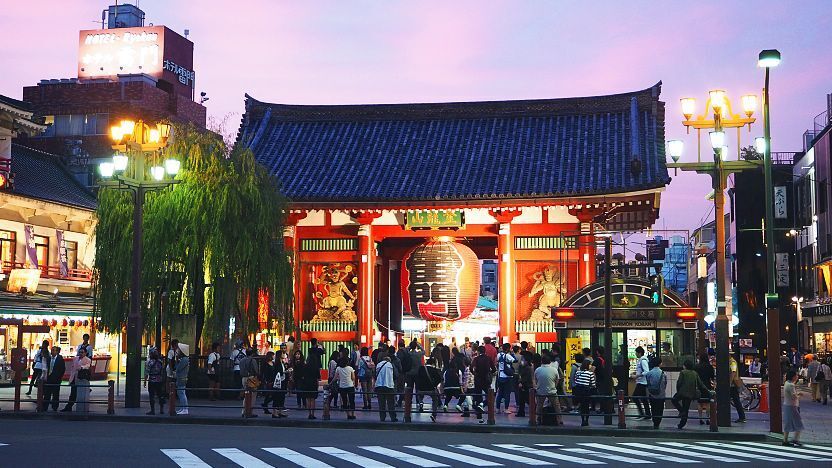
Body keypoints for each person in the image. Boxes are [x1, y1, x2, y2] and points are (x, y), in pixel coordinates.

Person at [672, 359, 712, 429]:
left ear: (685, 366)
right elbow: (701, 384)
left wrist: (678, 390)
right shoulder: (694, 373)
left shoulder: (683, 372)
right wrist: (708, 391)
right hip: (691, 393)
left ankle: (681, 411)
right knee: (686, 408)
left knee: (674, 400)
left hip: (682, 392)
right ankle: (682, 423)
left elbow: (679, 383)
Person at [534, 354, 563, 425]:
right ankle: (559, 419)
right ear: (550, 362)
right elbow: (557, 380)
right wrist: (554, 386)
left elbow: (535, 380)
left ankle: (538, 418)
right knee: (557, 406)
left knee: (539, 405)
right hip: (552, 391)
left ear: (541, 361)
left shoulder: (537, 370)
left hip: (541, 391)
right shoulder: (554, 370)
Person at [472, 345, 495, 424]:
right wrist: (490, 373)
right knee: (490, 395)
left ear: (478, 351)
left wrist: (475, 374)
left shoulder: (476, 359)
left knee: (478, 396)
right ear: (485, 351)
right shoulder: (488, 358)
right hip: (486, 379)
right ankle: (483, 404)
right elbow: (494, 369)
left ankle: (479, 414)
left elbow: (472, 368)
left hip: (478, 379)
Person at [416, 357, 443, 422]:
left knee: (420, 396)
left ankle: (421, 403)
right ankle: (434, 414)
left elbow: (417, 378)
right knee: (435, 400)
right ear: (433, 363)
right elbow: (439, 379)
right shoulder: (433, 370)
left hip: (421, 388)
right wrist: (434, 385)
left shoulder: (421, 368)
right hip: (430, 388)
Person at [644, 356, 667, 429]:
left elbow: (648, 383)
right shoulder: (663, 374)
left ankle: (654, 421)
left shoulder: (649, 373)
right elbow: (665, 384)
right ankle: (658, 422)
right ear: (660, 364)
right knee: (660, 409)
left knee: (653, 408)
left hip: (652, 394)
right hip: (661, 395)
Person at [783, 370, 804, 446]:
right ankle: (795, 439)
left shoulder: (787, 383)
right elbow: (794, 396)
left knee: (788, 423)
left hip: (787, 405)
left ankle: (786, 440)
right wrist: (799, 395)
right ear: (793, 377)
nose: (797, 377)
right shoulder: (791, 385)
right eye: (796, 375)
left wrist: (797, 393)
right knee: (799, 423)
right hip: (792, 406)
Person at [375, 351, 397, 422]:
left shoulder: (378, 365)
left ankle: (382, 418)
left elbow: (375, 375)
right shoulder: (390, 365)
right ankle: (393, 417)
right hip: (389, 385)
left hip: (379, 385)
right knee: (391, 403)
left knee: (381, 404)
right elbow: (396, 375)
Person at [572, 360, 596, 426]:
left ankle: (582, 420)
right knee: (586, 406)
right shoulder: (590, 373)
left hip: (579, 391)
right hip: (586, 391)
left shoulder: (578, 372)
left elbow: (576, 381)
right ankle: (586, 421)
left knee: (582, 406)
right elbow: (593, 384)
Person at [494, 343, 516, 414]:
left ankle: (497, 408)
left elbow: (497, 362)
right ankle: (506, 408)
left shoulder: (499, 355)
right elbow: (515, 360)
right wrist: (512, 353)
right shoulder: (508, 356)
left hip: (500, 376)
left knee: (500, 393)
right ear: (508, 349)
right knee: (507, 393)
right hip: (507, 377)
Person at [41, 346, 64, 412]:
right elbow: (45, 368)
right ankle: (45, 407)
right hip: (49, 378)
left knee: (55, 394)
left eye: (54, 350)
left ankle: (55, 407)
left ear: (57, 352)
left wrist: (59, 377)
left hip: (56, 379)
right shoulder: (48, 358)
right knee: (47, 393)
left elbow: (62, 369)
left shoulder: (60, 359)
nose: (52, 352)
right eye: (52, 350)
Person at [144, 348, 165, 415]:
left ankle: (152, 410)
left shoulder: (149, 362)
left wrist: (145, 381)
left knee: (151, 396)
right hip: (159, 380)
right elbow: (162, 371)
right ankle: (161, 409)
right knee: (160, 395)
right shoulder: (160, 362)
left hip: (152, 380)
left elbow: (147, 372)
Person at [632, 346, 651, 420]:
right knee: (644, 399)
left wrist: (637, 375)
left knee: (635, 397)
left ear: (639, 353)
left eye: (636, 352)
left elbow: (646, 371)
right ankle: (647, 414)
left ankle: (642, 413)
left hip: (642, 382)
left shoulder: (643, 360)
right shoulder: (640, 360)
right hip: (641, 381)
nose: (636, 354)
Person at [72, 347, 92, 413]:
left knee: (82, 393)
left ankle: (83, 407)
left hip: (82, 378)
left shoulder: (88, 360)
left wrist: (81, 368)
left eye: (82, 352)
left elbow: (87, 366)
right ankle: (69, 406)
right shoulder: (75, 359)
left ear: (85, 353)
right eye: (79, 352)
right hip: (75, 377)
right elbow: (73, 368)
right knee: (73, 393)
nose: (80, 353)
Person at [300, 354, 320, 419]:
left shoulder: (305, 366)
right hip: (314, 383)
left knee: (308, 399)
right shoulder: (316, 367)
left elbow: (302, 376)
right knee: (313, 399)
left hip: (307, 383)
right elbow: (318, 377)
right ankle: (313, 414)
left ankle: (309, 414)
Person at [593, 347, 612, 417]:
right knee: (607, 394)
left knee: (601, 394)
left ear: (598, 352)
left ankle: (602, 409)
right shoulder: (607, 358)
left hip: (600, 379)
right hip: (607, 379)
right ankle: (609, 408)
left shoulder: (597, 360)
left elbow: (592, 369)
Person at [729, 354, 747, 423]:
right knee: (736, 401)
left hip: (733, 385)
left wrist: (729, 382)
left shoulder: (732, 362)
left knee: (736, 401)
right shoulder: (731, 362)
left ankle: (742, 417)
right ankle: (742, 417)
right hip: (732, 385)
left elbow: (733, 372)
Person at [516, 352, 533, 418]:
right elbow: (520, 375)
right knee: (522, 400)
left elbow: (526, 378)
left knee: (527, 400)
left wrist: (521, 382)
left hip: (526, 385)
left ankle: (533, 410)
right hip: (523, 385)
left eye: (523, 360)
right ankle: (521, 412)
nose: (522, 361)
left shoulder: (528, 368)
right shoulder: (522, 367)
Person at [174, 345, 190, 415]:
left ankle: (185, 409)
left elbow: (178, 369)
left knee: (181, 393)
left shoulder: (184, 359)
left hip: (182, 378)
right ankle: (183, 408)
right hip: (181, 377)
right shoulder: (184, 359)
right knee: (181, 393)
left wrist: (177, 360)